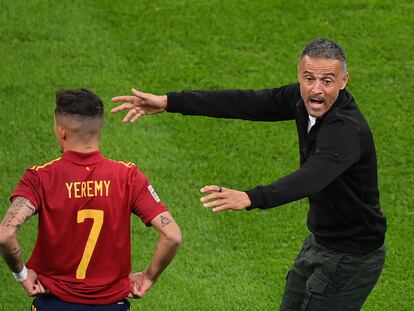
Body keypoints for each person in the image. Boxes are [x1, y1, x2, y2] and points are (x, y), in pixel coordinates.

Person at [111, 38, 387, 310]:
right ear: (299, 76)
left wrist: (252, 197)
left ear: (343, 81)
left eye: (327, 81)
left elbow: (312, 177)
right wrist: (170, 102)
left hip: (352, 254)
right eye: (309, 78)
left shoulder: (346, 131)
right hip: (320, 241)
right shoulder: (300, 100)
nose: (316, 89)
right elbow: (246, 103)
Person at [0, 89, 181, 310]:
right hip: (113, 304)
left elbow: (5, 234)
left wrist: (22, 275)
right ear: (99, 128)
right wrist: (149, 277)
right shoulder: (128, 177)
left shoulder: (40, 178)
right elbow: (172, 235)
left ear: (62, 131)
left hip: (54, 304)